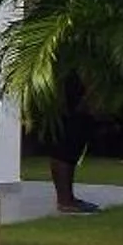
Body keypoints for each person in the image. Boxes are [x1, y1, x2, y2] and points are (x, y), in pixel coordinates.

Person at [42, 71, 103, 214]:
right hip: (70, 101)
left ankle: (67, 198)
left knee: (68, 148)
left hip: (71, 99)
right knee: (65, 148)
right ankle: (65, 200)